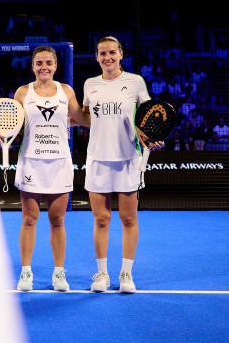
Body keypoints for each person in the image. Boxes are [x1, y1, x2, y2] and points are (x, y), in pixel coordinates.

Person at [0, 46, 89, 292]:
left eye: (48, 62)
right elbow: (11, 122)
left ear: (56, 66)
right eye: (39, 63)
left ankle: (58, 273)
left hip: (59, 163)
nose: (44, 66)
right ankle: (26, 273)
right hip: (31, 162)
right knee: (29, 219)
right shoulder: (23, 92)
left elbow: (83, 119)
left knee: (58, 220)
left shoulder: (66, 91)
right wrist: (1, 133)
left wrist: (102, 109)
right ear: (32, 66)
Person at [82, 36, 163, 294]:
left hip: (129, 159)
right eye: (102, 53)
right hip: (97, 159)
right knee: (101, 219)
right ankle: (102, 274)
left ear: (121, 54)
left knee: (128, 218)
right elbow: (85, 115)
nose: (108, 57)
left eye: (112, 53)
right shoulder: (89, 84)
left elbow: (149, 116)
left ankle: (126, 273)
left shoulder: (135, 82)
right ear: (96, 57)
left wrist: (151, 137)